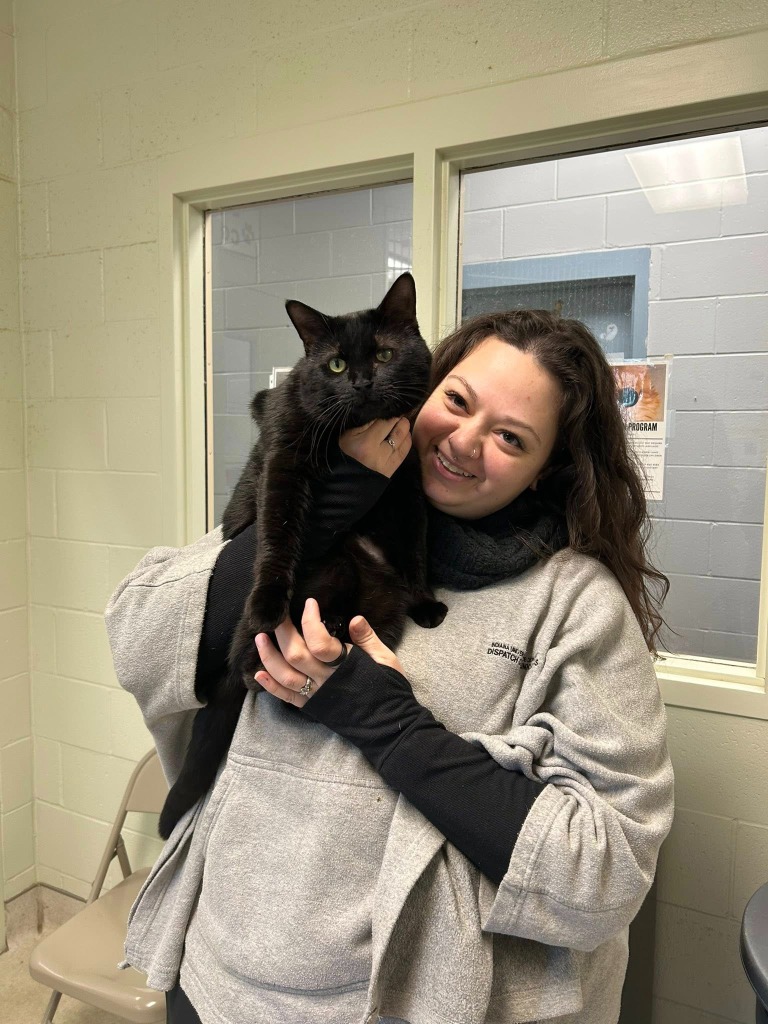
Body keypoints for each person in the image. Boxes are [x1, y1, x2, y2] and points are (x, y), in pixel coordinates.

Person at [106, 309, 675, 1024]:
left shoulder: (572, 603)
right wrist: (330, 501)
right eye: (457, 401)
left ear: (546, 470)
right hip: (218, 982)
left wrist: (391, 726)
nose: (463, 441)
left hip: (404, 1004)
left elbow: (606, 868)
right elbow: (137, 634)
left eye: (510, 437)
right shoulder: (323, 496)